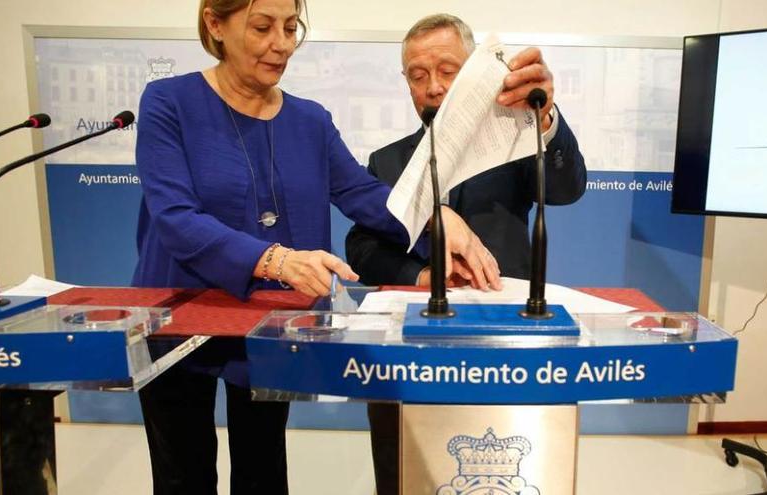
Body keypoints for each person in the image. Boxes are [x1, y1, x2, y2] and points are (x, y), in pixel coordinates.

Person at [132, 2, 499, 494]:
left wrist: (436, 217)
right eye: (263, 27)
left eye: (290, 28)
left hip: (268, 322)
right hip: (181, 320)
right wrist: (276, 260)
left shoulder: (310, 120)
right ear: (215, 24)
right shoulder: (168, 102)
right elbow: (175, 219)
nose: (281, 43)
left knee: (263, 470)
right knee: (182, 475)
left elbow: (364, 195)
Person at [343, 14, 587, 495]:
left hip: (506, 347)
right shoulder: (387, 162)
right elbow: (362, 248)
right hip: (410, 353)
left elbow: (567, 187)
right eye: (417, 75)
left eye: (447, 70)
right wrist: (423, 275)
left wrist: (546, 121)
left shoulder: (519, 142)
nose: (432, 87)